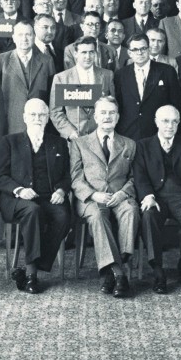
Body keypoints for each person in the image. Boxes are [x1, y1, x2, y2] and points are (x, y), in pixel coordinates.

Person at [0, 99, 72, 294]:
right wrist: (19, 190)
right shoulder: (9, 142)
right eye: (33, 115)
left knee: (63, 216)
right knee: (33, 211)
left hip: (50, 196)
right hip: (16, 198)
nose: (37, 119)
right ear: (24, 118)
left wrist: (62, 190)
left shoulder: (59, 143)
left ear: (48, 118)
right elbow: (0, 177)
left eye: (42, 115)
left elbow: (67, 175)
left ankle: (36, 265)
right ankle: (31, 273)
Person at [69, 97, 138, 298]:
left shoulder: (129, 144)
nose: (107, 117)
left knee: (131, 210)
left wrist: (123, 193)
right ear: (96, 117)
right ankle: (119, 273)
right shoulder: (80, 143)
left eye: (112, 113)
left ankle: (113, 268)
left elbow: (135, 177)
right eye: (103, 113)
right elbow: (75, 178)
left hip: (119, 195)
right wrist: (94, 194)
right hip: (91, 198)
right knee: (98, 216)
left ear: (118, 117)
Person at [134, 105, 181, 293]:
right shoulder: (143, 145)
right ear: (156, 122)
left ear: (179, 123)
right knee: (148, 218)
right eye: (165, 121)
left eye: (174, 121)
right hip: (154, 196)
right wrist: (147, 196)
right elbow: (139, 175)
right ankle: (157, 270)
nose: (170, 126)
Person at [113, 33, 181, 140]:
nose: (140, 53)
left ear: (149, 49)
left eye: (143, 48)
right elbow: (119, 105)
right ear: (129, 53)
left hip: (158, 133)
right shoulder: (120, 75)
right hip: (128, 133)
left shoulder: (167, 71)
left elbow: (176, 102)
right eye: (135, 50)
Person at [0, 20, 55, 135]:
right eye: (20, 35)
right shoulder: (0, 60)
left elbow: (52, 95)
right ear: (14, 37)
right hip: (11, 124)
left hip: (39, 123)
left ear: (34, 36)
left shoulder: (47, 61)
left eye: (28, 34)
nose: (24, 39)